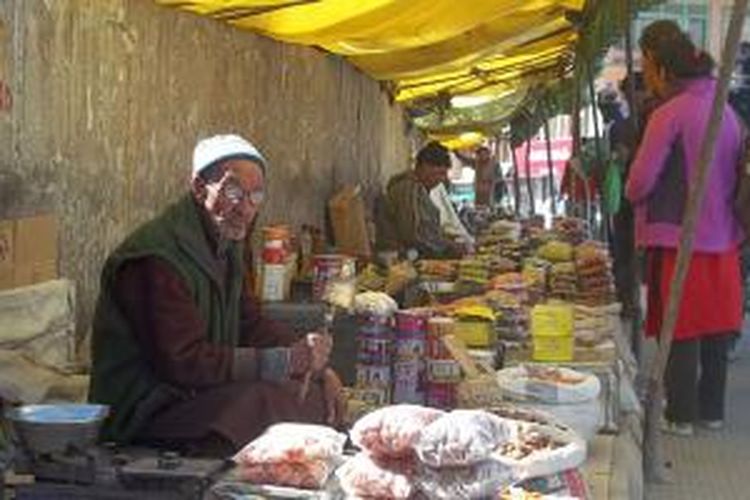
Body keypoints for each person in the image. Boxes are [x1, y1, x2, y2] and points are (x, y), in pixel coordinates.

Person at [89, 134, 345, 456]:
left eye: (256, 195)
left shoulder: (226, 242)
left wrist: (318, 368)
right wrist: (284, 360)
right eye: (233, 191)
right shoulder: (154, 259)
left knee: (305, 394)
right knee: (261, 403)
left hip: (197, 394)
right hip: (145, 411)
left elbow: (250, 323)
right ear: (198, 188)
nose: (246, 209)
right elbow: (184, 362)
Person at [625, 21, 745, 436]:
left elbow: (639, 181)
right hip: (726, 238)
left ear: (660, 67)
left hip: (681, 237)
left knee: (682, 328)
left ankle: (680, 415)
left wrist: (630, 186)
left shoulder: (669, 113)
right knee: (715, 327)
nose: (646, 76)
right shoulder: (725, 109)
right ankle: (711, 411)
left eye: (646, 66)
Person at [376, 141, 467, 259]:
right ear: (425, 167)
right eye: (439, 173)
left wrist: (445, 240)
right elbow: (412, 235)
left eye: (444, 174)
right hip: (401, 258)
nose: (441, 179)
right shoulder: (407, 189)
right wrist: (446, 246)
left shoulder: (419, 188)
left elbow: (425, 230)